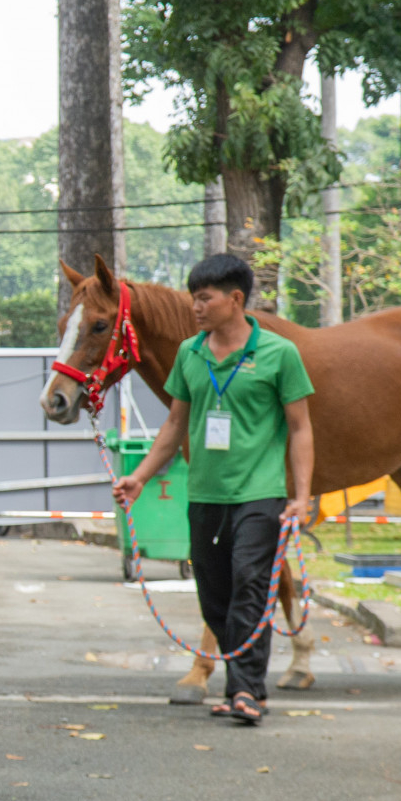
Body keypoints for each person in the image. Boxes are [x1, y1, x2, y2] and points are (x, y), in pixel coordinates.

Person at [110, 253, 314, 725]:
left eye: (204, 299)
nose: (195, 308)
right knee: (214, 595)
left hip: (260, 493)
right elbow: (175, 423)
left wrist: (300, 496)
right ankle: (243, 683)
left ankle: (247, 692)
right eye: (193, 298)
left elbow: (301, 428)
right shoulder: (190, 353)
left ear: (235, 299)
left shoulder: (279, 353)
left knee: (250, 584)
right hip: (205, 494)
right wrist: (139, 477)